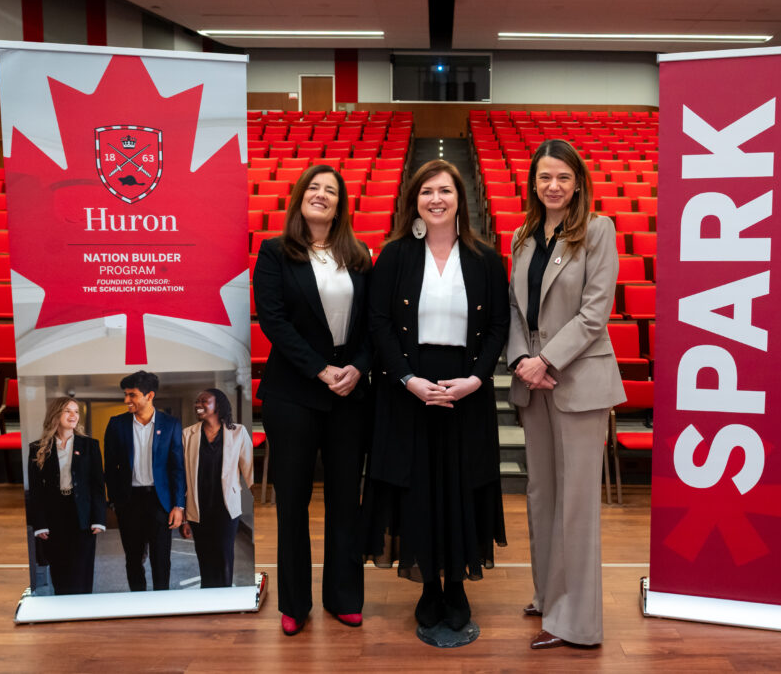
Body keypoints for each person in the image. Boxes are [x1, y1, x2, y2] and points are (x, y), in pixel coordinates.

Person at [364, 159, 509, 635]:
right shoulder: (395, 255)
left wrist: (477, 379)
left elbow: (497, 328)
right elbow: (379, 323)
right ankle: (429, 583)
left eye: (445, 191)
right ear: (415, 200)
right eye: (427, 191)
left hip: (465, 387)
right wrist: (406, 378)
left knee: (460, 484)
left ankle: (458, 586)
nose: (436, 199)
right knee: (420, 487)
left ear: (459, 200)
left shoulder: (486, 257)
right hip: (411, 387)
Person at [507, 139, 625, 649]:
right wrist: (522, 362)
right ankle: (548, 594)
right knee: (542, 497)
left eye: (562, 177)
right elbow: (513, 311)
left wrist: (546, 360)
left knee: (576, 503)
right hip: (533, 382)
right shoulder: (522, 236)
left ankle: (577, 621)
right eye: (544, 178)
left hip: (577, 378)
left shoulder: (597, 231)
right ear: (532, 183)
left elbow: (595, 313)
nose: (552, 186)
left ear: (578, 182)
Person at [253, 164, 372, 635]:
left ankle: (344, 597)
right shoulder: (275, 252)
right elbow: (274, 321)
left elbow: (371, 324)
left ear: (341, 204)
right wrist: (321, 370)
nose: (322, 195)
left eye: (332, 191)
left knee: (346, 499)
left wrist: (357, 368)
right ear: (300, 197)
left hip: (349, 391)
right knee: (293, 500)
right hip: (295, 393)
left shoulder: (359, 255)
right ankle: (294, 603)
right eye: (314, 188)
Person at [104, 370, 186, 591]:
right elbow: (110, 467)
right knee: (133, 557)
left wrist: (179, 505)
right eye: (126, 394)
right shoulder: (116, 424)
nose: (126, 400)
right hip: (128, 502)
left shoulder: (171, 424)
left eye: (132, 395)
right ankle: (138, 600)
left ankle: (161, 602)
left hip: (160, 502)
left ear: (149, 396)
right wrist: (115, 501)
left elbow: (177, 468)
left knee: (161, 558)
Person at [27, 397, 106, 595]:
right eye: (68, 411)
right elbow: (36, 491)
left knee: (82, 567)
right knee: (59, 567)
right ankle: (63, 608)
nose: (74, 416)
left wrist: (99, 518)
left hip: (82, 514)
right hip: (54, 515)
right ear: (55, 415)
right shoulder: (38, 448)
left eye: (76, 411)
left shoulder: (89, 445)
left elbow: (97, 485)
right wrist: (40, 524)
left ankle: (83, 610)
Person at [181, 388, 254, 588]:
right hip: (198, 507)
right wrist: (184, 514)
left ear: (218, 405)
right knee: (204, 557)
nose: (198, 404)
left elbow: (250, 470)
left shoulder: (238, 432)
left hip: (226, 508)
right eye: (197, 401)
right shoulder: (188, 434)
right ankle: (208, 599)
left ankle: (225, 599)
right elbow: (182, 476)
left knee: (223, 556)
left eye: (204, 401)